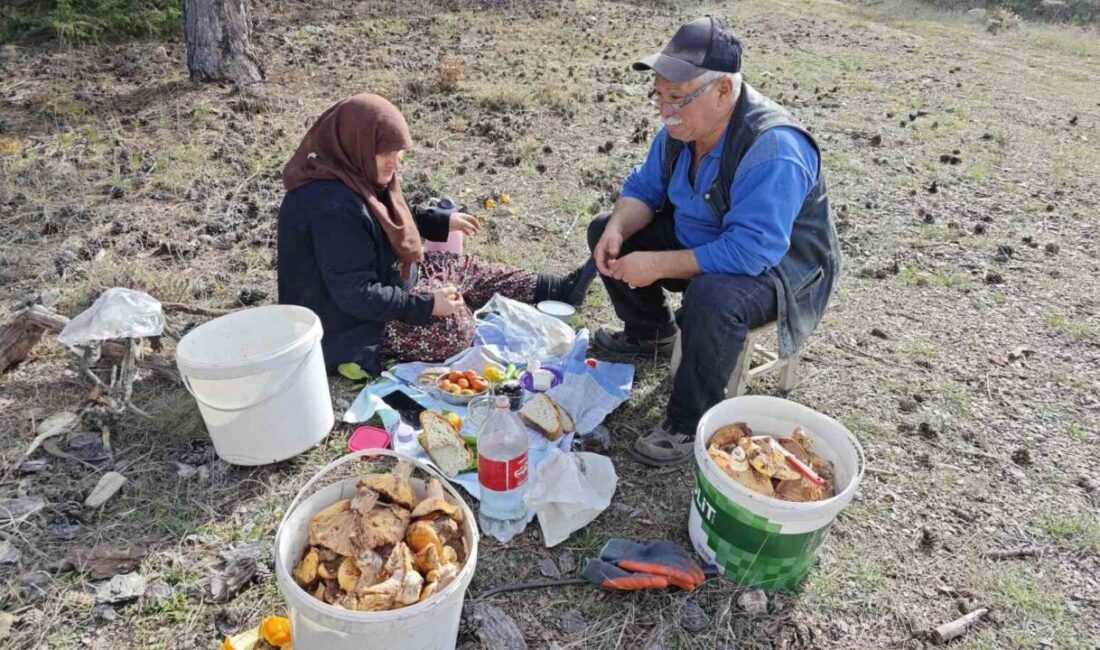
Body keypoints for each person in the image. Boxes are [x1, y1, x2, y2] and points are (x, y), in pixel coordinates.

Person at [588, 16, 842, 466]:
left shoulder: (774, 148)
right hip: (706, 236)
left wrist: (657, 264)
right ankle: (651, 335)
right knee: (604, 228)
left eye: (677, 98)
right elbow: (644, 189)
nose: (665, 110)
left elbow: (750, 251)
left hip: (777, 269)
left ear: (723, 90)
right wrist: (618, 229)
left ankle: (689, 423)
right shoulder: (681, 128)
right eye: (659, 96)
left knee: (712, 296)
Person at [278, 93, 594, 375]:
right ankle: (443, 303)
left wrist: (441, 222)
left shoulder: (355, 172)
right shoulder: (330, 207)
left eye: (398, 153)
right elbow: (356, 295)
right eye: (385, 153)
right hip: (349, 325)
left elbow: (389, 217)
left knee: (464, 266)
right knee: (453, 330)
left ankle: (560, 290)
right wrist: (427, 305)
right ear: (356, 143)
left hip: (392, 280)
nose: (394, 163)